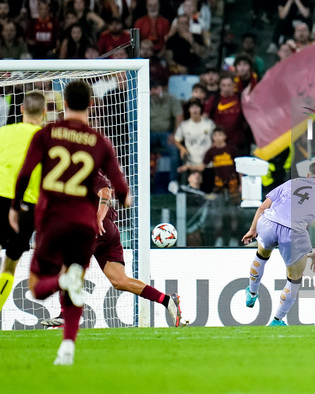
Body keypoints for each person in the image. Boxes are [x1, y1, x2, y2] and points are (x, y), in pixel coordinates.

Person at [9, 80, 130, 365]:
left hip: (52, 220)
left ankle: (64, 281)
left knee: (38, 288)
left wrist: (15, 206)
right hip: (84, 226)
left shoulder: (48, 133)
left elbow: (26, 173)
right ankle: (67, 349)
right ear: (90, 104)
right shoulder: (100, 142)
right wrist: (126, 198)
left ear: (64, 103)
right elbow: (120, 187)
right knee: (75, 284)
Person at [41, 171, 183, 328]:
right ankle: (167, 300)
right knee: (120, 281)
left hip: (98, 229)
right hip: (106, 232)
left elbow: (106, 193)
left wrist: (98, 218)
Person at [241, 160, 315, 326]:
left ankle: (252, 291)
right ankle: (277, 320)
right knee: (294, 278)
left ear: (308, 175)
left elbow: (263, 208)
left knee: (262, 254)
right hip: (294, 232)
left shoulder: (291, 182)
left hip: (269, 223)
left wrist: (253, 229)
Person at [0, 91, 45, 312]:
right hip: (25, 206)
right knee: (9, 265)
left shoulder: (3, 132)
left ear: (21, 110)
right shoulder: (47, 138)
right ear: (44, 112)